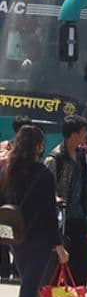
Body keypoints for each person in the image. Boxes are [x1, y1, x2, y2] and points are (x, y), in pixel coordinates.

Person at [2, 126, 69, 297]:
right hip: (38, 238)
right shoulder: (43, 174)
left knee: (30, 287)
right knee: (30, 289)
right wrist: (59, 245)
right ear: (38, 146)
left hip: (16, 236)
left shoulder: (8, 170)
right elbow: (50, 214)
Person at [44, 114, 87, 287]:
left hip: (78, 216)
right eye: (83, 132)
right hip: (61, 221)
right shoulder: (55, 159)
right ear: (73, 134)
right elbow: (47, 191)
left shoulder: (81, 156)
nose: (86, 136)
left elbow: (84, 184)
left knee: (82, 262)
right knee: (58, 264)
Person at [0, 114, 33, 283]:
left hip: (4, 198)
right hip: (18, 199)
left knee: (4, 234)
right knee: (20, 235)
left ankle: (5, 270)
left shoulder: (4, 147)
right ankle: (16, 270)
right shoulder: (28, 151)